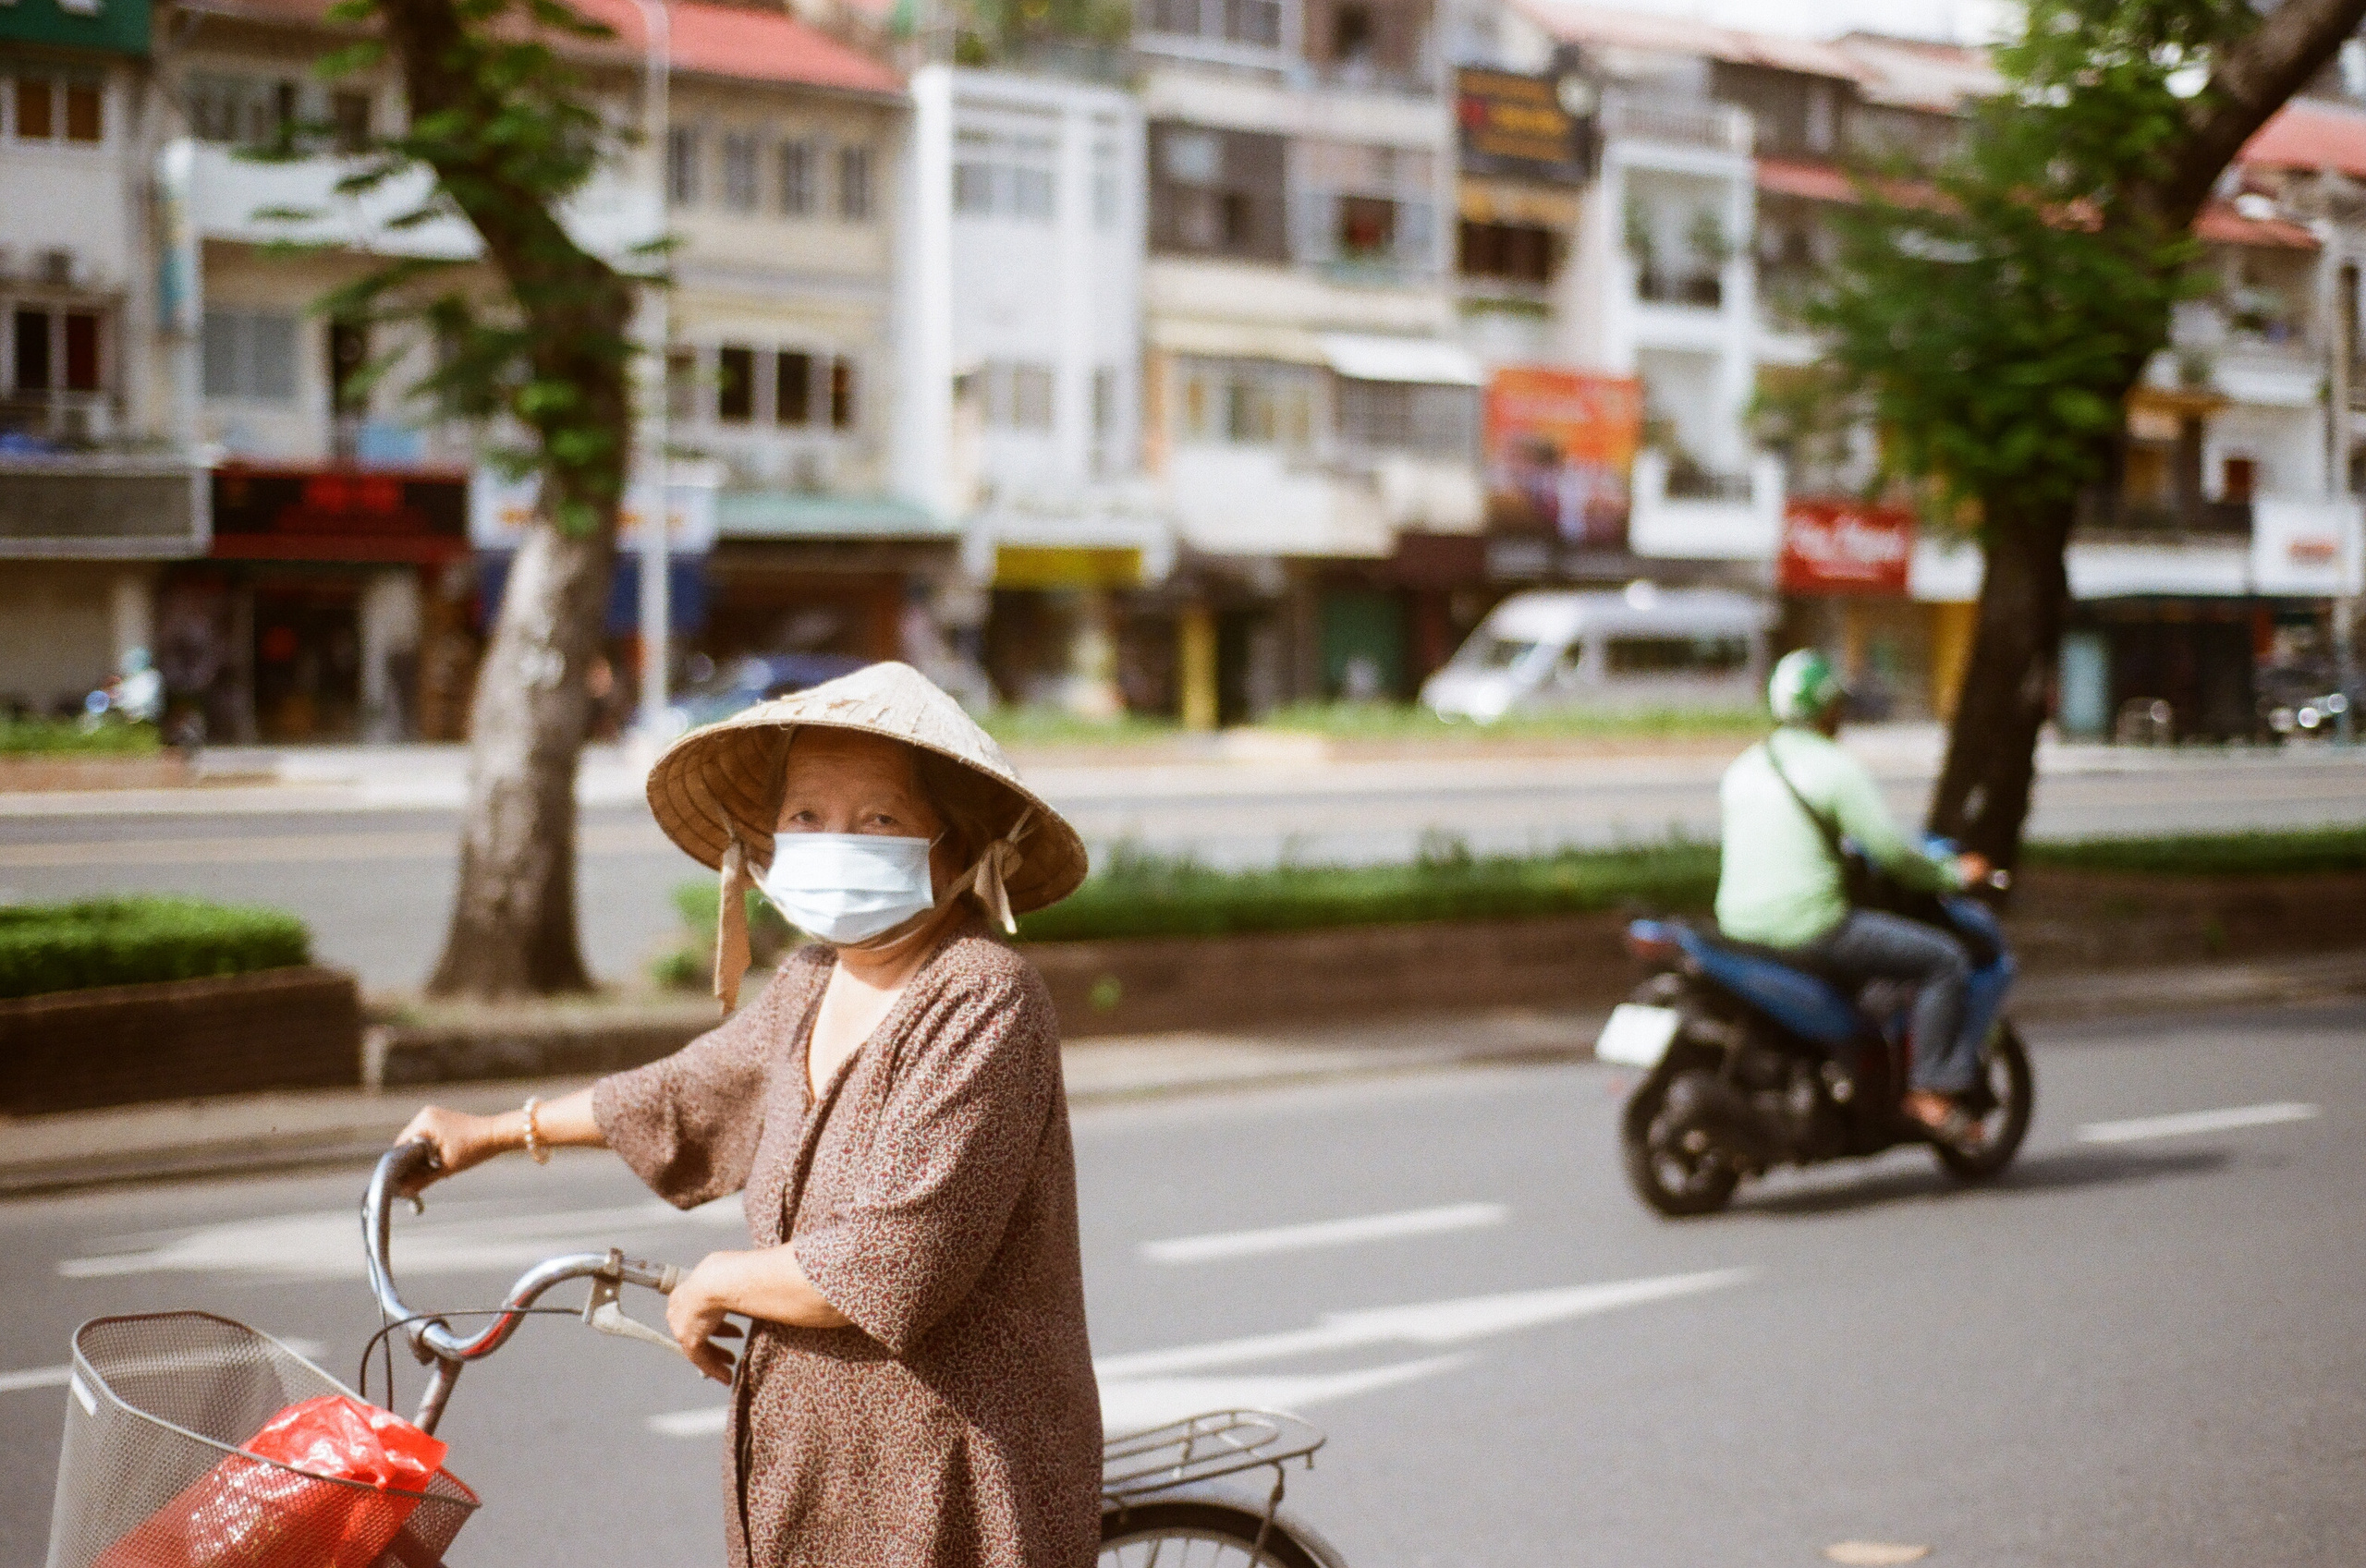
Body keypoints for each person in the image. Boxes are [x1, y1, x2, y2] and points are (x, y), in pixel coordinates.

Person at [393, 662, 1102, 1568]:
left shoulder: (983, 995)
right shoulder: (811, 977)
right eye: (805, 814)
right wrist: (495, 1130)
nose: (833, 838)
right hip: (802, 1461)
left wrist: (720, 1277)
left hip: (948, 1479)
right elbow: (685, 1090)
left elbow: (898, 1257)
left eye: (880, 818)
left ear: (957, 850)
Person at [1714, 649, 1994, 1141]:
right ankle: (1930, 1089)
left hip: (1738, 929)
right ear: (1827, 709)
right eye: (1836, 705)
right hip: (1810, 927)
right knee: (1944, 960)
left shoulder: (1743, 767)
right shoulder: (1833, 768)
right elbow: (1893, 853)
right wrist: (1952, 875)